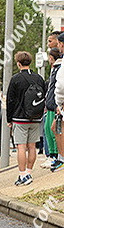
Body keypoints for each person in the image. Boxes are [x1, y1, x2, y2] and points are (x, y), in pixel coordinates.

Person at [6, 51, 46, 186]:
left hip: (19, 117)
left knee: (21, 147)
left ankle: (22, 175)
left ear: (18, 63)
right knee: (32, 146)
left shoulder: (15, 79)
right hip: (35, 117)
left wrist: (9, 119)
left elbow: (10, 100)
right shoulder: (38, 78)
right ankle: (29, 172)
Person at [41, 48, 62, 169]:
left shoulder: (59, 68)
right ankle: (53, 155)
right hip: (50, 104)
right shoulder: (54, 69)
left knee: (54, 130)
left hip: (54, 104)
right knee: (48, 130)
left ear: (51, 57)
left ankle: (57, 155)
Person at [51, 32, 64, 172]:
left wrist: (59, 103)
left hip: (63, 102)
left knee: (58, 128)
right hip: (62, 102)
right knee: (55, 128)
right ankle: (61, 157)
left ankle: (63, 158)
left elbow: (61, 85)